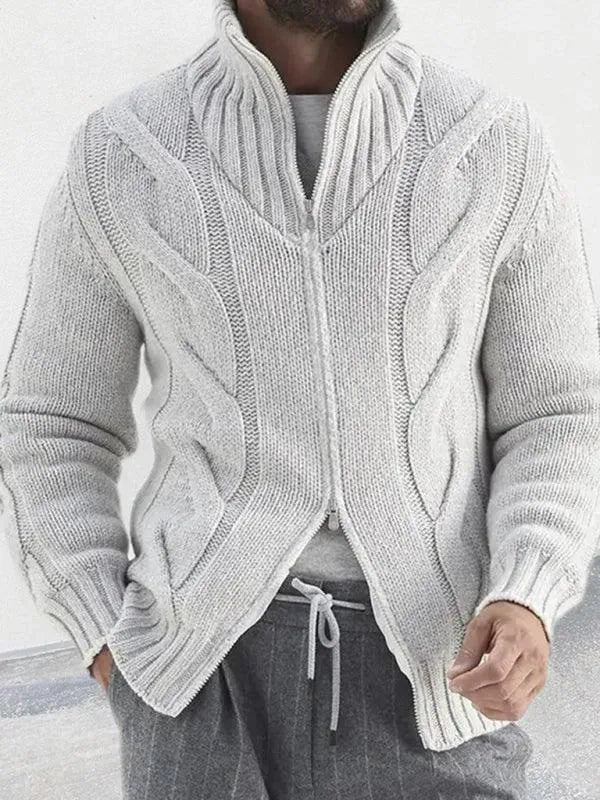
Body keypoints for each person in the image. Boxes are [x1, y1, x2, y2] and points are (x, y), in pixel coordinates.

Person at [1, 0, 599, 797]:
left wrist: (527, 591)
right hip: (200, 678)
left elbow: (560, 413)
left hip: (440, 669)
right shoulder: (124, 154)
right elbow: (50, 425)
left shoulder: (494, 144)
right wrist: (105, 638)